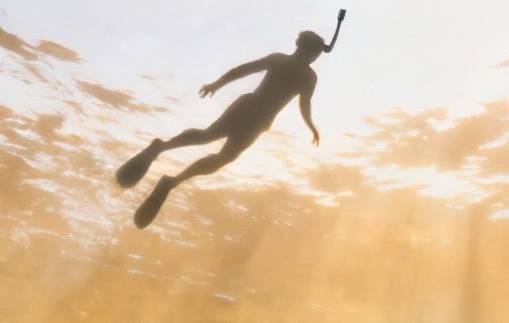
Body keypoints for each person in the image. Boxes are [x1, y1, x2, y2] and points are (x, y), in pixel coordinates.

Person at [116, 15, 342, 229]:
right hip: (252, 111)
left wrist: (311, 125)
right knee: (209, 138)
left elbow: (302, 102)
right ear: (304, 48)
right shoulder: (291, 67)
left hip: (258, 117)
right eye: (314, 53)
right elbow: (244, 72)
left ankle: (170, 176)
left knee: (222, 154)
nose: (315, 57)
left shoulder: (299, 71)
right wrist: (217, 84)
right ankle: (163, 154)